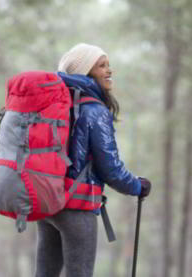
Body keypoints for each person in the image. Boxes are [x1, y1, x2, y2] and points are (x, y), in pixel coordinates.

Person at [34, 43, 152, 277]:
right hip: (77, 207)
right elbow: (111, 169)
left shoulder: (57, 105)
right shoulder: (94, 110)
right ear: (86, 71)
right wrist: (138, 186)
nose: (109, 71)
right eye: (101, 65)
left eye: (108, 65)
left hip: (47, 203)